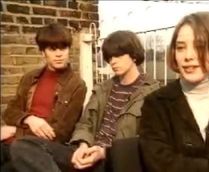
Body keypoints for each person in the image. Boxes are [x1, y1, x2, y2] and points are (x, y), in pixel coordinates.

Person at [10, 30, 160, 172]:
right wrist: (83, 145)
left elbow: (150, 141)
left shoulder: (153, 93)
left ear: (134, 56)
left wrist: (104, 152)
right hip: (88, 153)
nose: (113, 61)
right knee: (23, 146)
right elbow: (85, 123)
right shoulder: (103, 88)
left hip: (116, 159)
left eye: (118, 55)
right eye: (109, 58)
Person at [139, 11, 209, 172]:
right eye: (181, 48)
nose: (188, 56)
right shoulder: (156, 104)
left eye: (200, 46)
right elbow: (159, 163)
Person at [0, 23, 87, 171]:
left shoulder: (77, 85)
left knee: (12, 162)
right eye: (52, 49)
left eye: (63, 48)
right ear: (42, 52)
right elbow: (10, 111)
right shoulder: (29, 78)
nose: (59, 54)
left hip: (40, 148)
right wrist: (29, 118)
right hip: (11, 144)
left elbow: (60, 132)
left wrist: (15, 130)